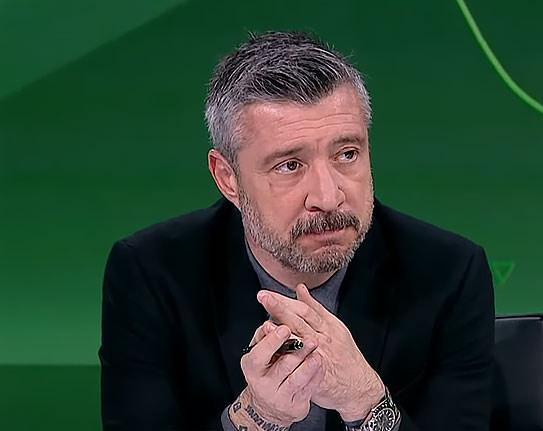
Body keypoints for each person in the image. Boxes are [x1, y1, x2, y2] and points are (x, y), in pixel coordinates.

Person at [99, 31, 495, 431]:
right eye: (290, 165)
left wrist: (365, 401)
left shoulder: (447, 274)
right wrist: (259, 416)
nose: (328, 197)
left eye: (347, 154)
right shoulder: (152, 274)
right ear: (228, 178)